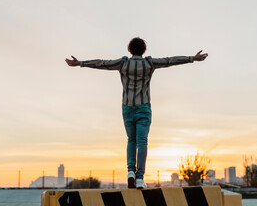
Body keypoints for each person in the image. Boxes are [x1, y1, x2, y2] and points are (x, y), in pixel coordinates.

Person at [65, 37, 208, 189]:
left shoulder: (123, 63)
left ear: (129, 49)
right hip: (143, 107)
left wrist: (80, 63)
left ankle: (130, 172)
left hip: (127, 108)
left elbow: (103, 63)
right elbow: (169, 61)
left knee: (131, 140)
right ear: (144, 50)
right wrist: (192, 58)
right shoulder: (149, 63)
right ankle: (140, 177)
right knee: (142, 142)